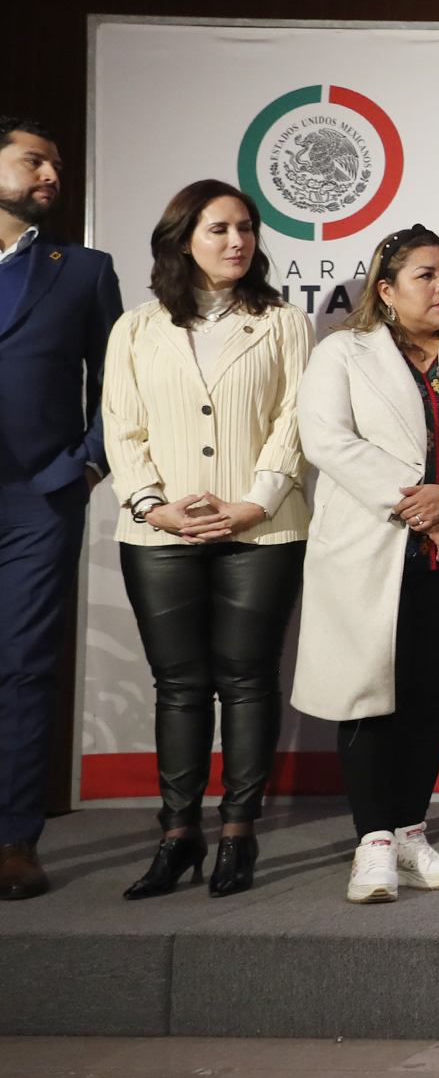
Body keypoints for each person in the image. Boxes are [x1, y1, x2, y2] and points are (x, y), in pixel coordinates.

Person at [293, 225, 439, 905]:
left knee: (427, 698)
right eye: (426, 275)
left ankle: (410, 833)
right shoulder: (342, 352)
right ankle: (372, 843)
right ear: (387, 290)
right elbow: (326, 440)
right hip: (369, 549)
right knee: (367, 694)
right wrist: (423, 503)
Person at [103, 181, 312, 899]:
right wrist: (152, 505)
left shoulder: (284, 321)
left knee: (248, 680)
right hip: (158, 534)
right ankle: (178, 834)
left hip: (264, 529)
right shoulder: (136, 327)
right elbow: (121, 427)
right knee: (179, 686)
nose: (237, 241)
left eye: (246, 228)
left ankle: (238, 833)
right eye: (219, 228)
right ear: (182, 238)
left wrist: (255, 502)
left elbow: (294, 419)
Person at [0, 116, 122, 901]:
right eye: (34, 160)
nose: (51, 174)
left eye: (57, 165)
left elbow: (117, 380)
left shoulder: (82, 269)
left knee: (24, 665)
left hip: (38, 499)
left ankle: (14, 838)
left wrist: (87, 464)